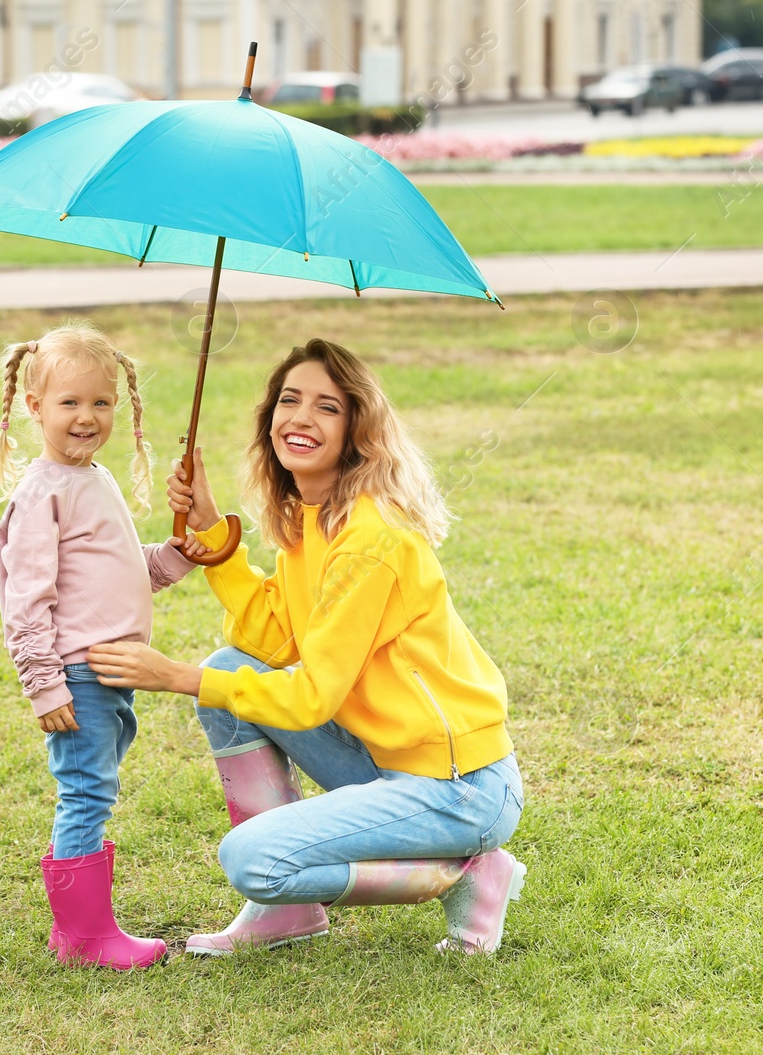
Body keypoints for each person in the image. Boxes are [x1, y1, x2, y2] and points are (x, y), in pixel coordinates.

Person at [87, 338, 526, 958]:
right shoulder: (313, 517)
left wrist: (176, 676)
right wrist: (210, 524)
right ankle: (287, 916)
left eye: (327, 407)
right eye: (289, 400)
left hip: (462, 786)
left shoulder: (372, 538)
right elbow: (273, 636)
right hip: (385, 759)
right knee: (230, 675)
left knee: (252, 859)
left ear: (356, 431)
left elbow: (312, 695)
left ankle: (471, 871)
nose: (300, 417)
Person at [0, 320, 193, 970]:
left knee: (94, 785)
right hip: (77, 673)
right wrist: (44, 684)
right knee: (84, 790)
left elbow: (116, 566)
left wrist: (177, 556)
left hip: (109, 670)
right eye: (70, 402)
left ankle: (78, 927)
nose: (87, 416)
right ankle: (83, 935)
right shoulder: (43, 492)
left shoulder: (91, 477)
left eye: (100, 402)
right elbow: (26, 599)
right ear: (34, 407)